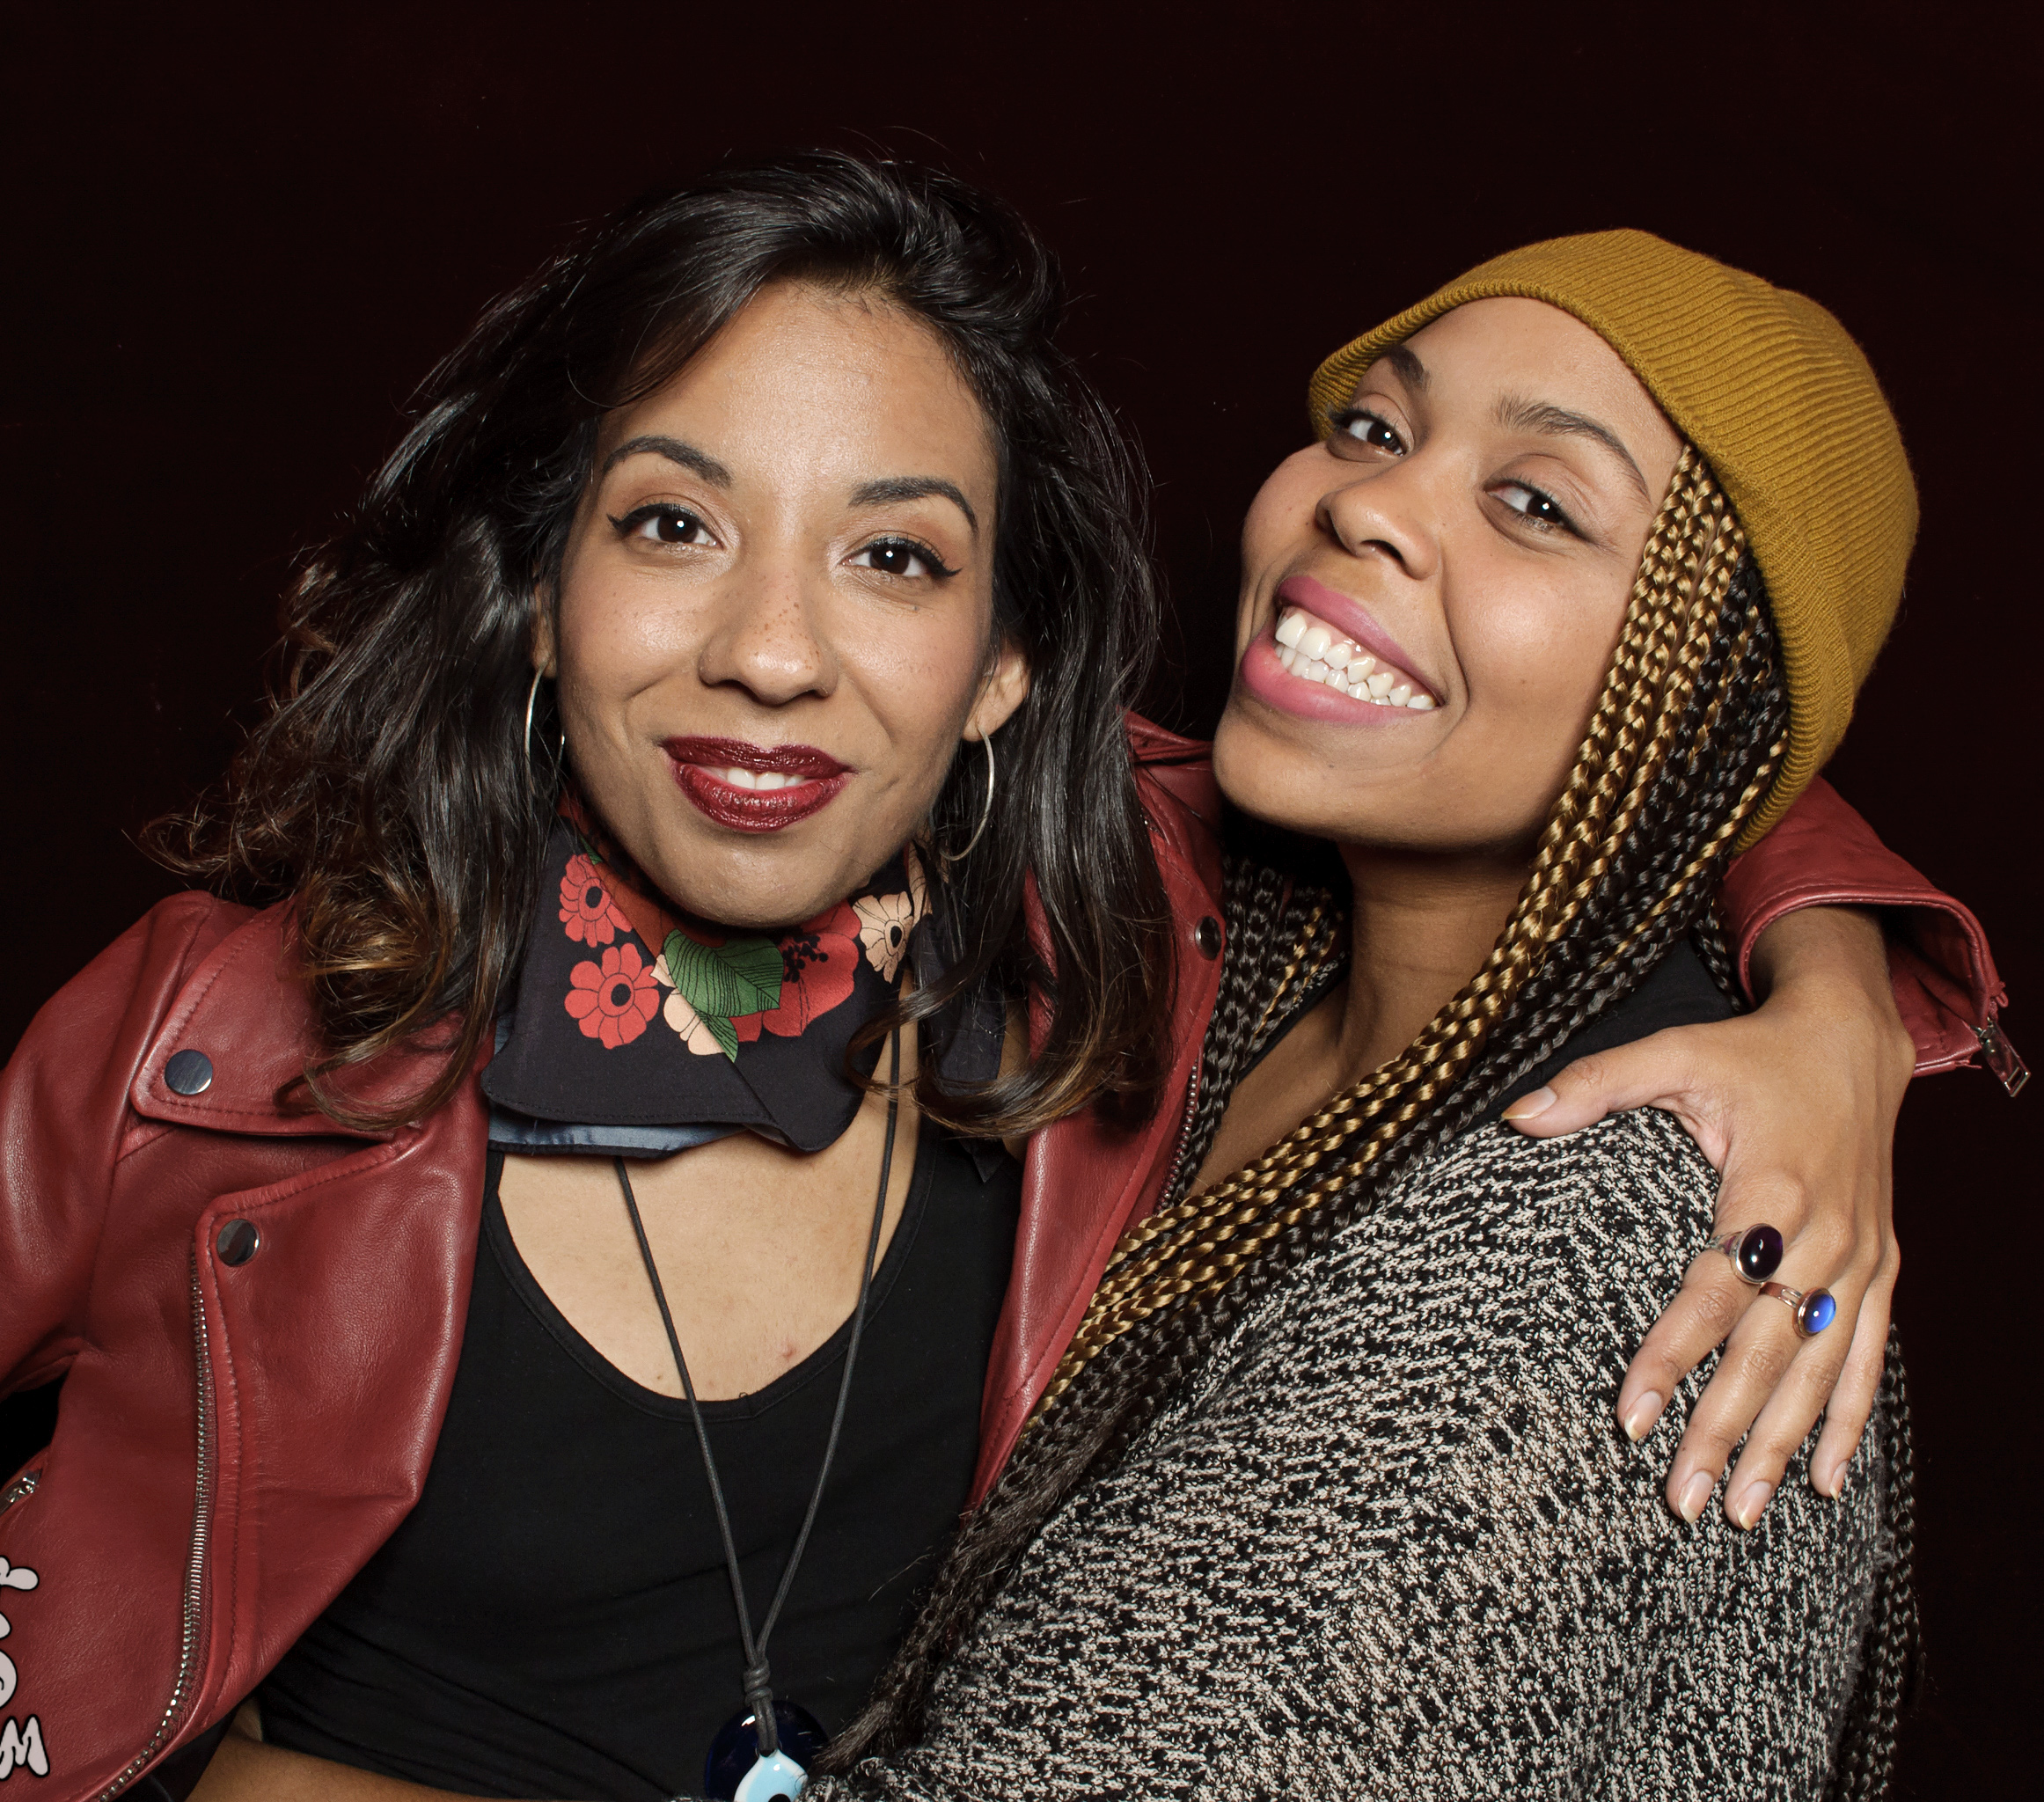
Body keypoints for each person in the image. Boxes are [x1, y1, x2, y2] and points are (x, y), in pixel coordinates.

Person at [0, 162, 1997, 1802]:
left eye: (893, 557)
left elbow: (1669, 747)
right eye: (672, 524)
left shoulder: (1127, 939)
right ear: (544, 589)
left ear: (1008, 663)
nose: (771, 649)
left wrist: (1838, 994)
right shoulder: (230, 1035)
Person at [812, 231, 1954, 1800]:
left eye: (1537, 502)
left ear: (1702, 692)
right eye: (1374, 427)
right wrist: (1838, 976)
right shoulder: (1231, 949)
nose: (1368, 503)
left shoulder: (1575, 1278)